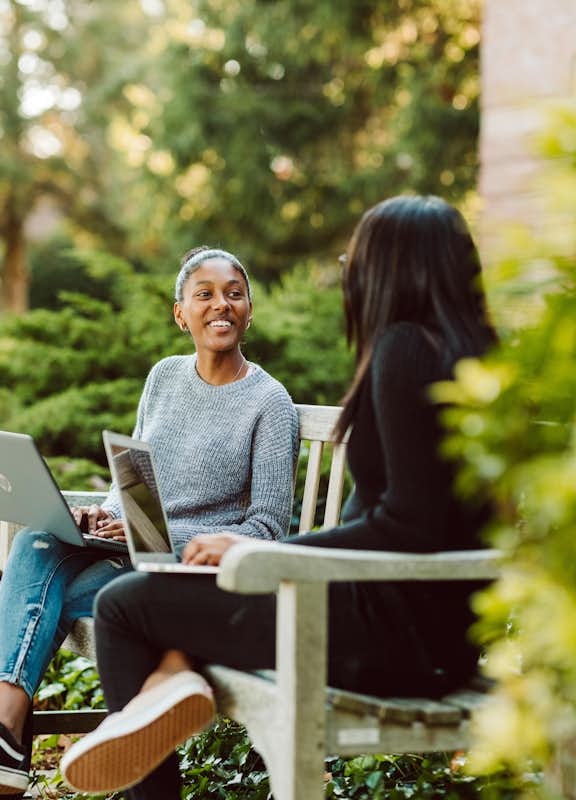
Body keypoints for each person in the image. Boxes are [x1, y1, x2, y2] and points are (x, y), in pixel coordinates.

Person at [59, 195, 499, 799]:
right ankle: (170, 679)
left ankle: (167, 693)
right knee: (147, 599)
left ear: (396, 268)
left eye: (358, 256)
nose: (351, 270)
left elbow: (409, 524)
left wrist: (262, 553)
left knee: (124, 608)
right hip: (435, 629)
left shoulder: (404, 350)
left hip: (390, 636)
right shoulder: (471, 354)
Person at [0, 246, 300, 800]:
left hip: (183, 578)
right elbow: (132, 484)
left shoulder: (269, 403)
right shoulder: (163, 378)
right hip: (129, 553)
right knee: (40, 541)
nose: (221, 306)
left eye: (234, 294)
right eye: (204, 294)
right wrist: (108, 514)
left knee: (36, 595)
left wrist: (165, 537)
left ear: (250, 311)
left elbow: (267, 528)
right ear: (180, 313)